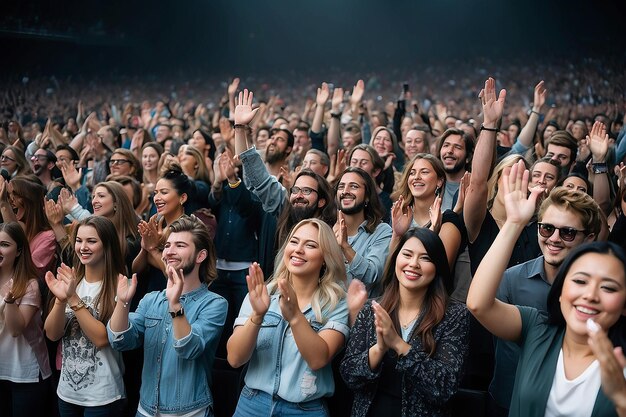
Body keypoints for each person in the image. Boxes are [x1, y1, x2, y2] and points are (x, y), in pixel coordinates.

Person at [467, 161, 626, 417]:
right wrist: (514, 223)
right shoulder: (537, 328)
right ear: (561, 291)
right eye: (547, 228)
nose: (590, 295)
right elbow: (477, 304)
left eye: (607, 287)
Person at [490, 185, 602, 415]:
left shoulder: (596, 295)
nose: (554, 238)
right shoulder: (511, 279)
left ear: (589, 238)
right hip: (509, 400)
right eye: (547, 229)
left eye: (567, 232)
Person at [340, 227, 469, 417]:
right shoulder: (371, 310)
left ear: (437, 266)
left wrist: (400, 346)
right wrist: (379, 349)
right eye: (407, 254)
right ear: (395, 260)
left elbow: (445, 388)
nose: (413, 264)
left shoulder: (454, 316)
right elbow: (349, 375)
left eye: (425, 258)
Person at [227, 218, 349, 417]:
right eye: (294, 241)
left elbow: (318, 359)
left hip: (305, 410)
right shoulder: (262, 293)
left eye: (310, 245)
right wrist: (257, 315)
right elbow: (234, 359)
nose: (298, 249)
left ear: (326, 257)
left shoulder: (337, 303)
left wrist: (295, 317)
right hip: (252, 405)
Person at [108, 215, 227, 417]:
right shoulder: (151, 299)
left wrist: (175, 305)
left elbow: (189, 348)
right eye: (167, 245)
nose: (169, 251)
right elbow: (120, 341)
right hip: (145, 410)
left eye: (180, 245)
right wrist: (122, 302)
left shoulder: (214, 303)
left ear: (200, 256)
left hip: (190, 412)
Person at [44, 216, 126, 417]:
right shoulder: (73, 281)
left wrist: (72, 299)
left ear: (107, 245)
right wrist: (61, 300)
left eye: (91, 241)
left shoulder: (120, 284)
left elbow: (102, 338)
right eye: (79, 241)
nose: (83, 247)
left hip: (103, 396)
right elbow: (52, 335)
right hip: (67, 393)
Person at [0, 222, 52, 417]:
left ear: (19, 250)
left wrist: (10, 301)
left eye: (5, 244)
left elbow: (16, 330)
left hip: (24, 373)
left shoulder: (29, 284)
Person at [334, 167, 392, 295]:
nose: (345, 191)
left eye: (353, 186)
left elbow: (373, 275)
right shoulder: (326, 230)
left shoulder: (381, 231)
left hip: (363, 311)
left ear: (367, 197)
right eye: (341, 186)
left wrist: (345, 247)